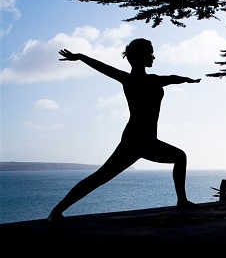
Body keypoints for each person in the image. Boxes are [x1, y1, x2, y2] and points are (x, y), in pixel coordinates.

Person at [48, 38, 201, 223]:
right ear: (142, 56)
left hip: (146, 140)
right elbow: (102, 67)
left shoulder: (148, 80)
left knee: (178, 157)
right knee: (100, 177)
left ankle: (182, 201)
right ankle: (56, 211)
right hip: (135, 140)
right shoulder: (133, 80)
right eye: (151, 52)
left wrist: (187, 80)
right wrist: (80, 57)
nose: (154, 56)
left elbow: (172, 79)